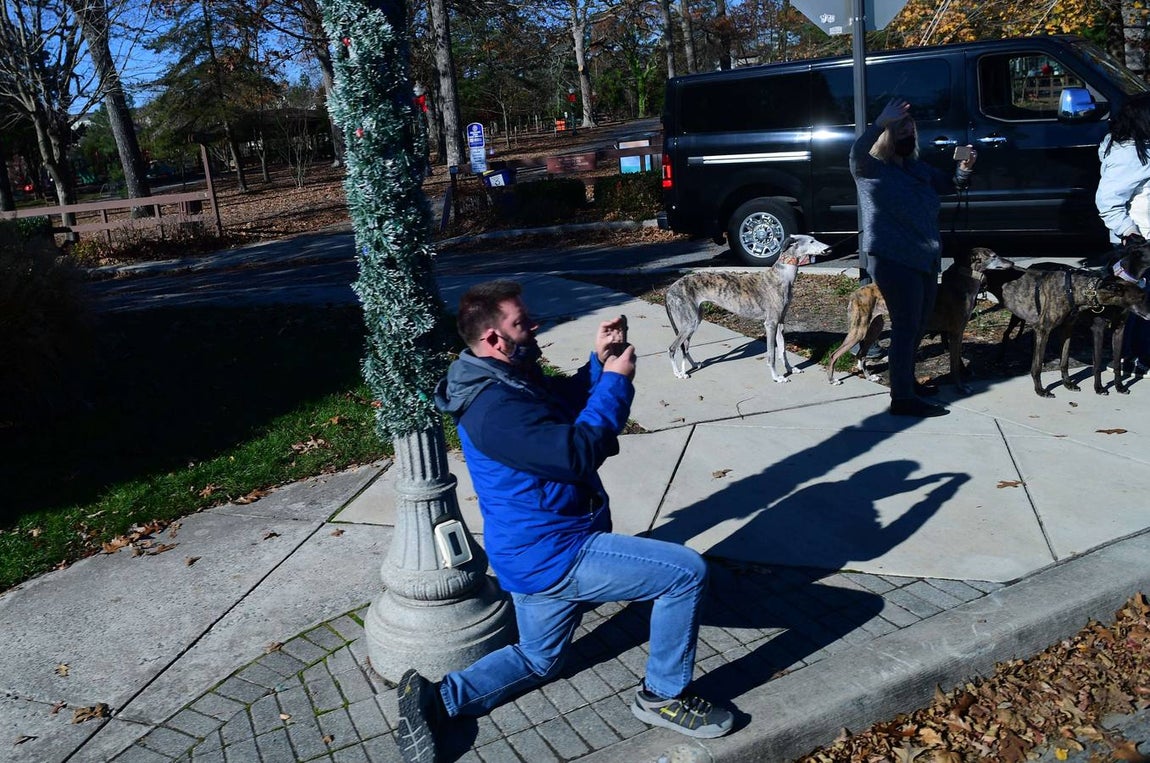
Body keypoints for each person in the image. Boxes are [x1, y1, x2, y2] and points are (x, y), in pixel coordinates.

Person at [395, 280, 734, 763]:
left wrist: (599, 362)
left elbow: (561, 406)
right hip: (556, 553)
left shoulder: (504, 376)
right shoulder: (494, 409)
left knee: (540, 659)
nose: (533, 326)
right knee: (684, 573)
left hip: (530, 554)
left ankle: (440, 698)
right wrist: (616, 383)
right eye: (521, 322)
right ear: (493, 338)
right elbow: (576, 453)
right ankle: (662, 697)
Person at [850, 97, 977, 418]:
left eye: (911, 129)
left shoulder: (917, 168)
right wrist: (880, 122)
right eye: (900, 128)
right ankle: (902, 399)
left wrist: (964, 169)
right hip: (893, 258)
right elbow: (855, 154)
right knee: (907, 327)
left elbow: (951, 184)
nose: (907, 133)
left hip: (925, 259)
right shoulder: (871, 169)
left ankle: (906, 384)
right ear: (887, 134)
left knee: (919, 325)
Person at [1095, 92, 1150, 375]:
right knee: (1140, 304)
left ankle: (1133, 356)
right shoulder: (1130, 154)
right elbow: (1108, 201)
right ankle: (1135, 358)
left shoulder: (1140, 147)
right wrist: (1129, 232)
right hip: (1141, 245)